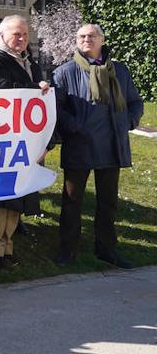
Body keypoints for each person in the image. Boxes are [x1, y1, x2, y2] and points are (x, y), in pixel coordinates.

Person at [52, 24, 144, 268]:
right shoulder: (65, 72)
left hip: (111, 144)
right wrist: (74, 125)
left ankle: (106, 249)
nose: (86, 40)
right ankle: (67, 250)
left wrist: (129, 121)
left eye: (91, 36)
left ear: (102, 40)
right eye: (81, 36)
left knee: (108, 201)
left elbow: (135, 101)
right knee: (72, 201)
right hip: (80, 144)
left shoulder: (119, 71)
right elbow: (56, 107)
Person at [0, 15, 51, 268]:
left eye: (25, 35)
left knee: (17, 193)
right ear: (3, 34)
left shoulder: (29, 62)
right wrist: (32, 88)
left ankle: (7, 245)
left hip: (24, 138)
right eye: (16, 35)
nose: (21, 40)